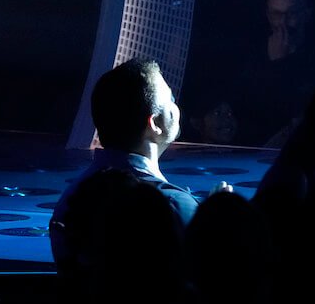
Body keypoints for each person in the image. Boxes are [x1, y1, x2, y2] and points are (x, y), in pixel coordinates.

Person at [50, 59, 219, 267]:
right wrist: (214, 222)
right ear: (155, 123)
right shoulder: (173, 205)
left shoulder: (70, 199)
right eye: (171, 100)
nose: (176, 107)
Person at [239, 0, 315, 145]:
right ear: (268, 15)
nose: (283, 22)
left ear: (306, 14)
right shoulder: (250, 54)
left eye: (291, 14)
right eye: (277, 14)